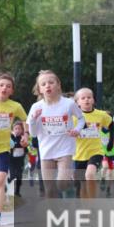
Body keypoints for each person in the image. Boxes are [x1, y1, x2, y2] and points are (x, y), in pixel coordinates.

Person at [27, 70, 86, 199]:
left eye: (51, 82)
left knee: (62, 184)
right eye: (43, 84)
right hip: (46, 152)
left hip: (64, 150)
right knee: (49, 190)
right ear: (40, 89)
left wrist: (77, 129)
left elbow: (81, 119)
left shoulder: (69, 104)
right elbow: (33, 133)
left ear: (58, 85)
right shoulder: (36, 107)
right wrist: (32, 119)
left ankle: (70, 180)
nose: (47, 85)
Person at [0, 74, 27, 227]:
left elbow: (24, 119)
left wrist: (26, 134)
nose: (4, 88)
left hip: (2, 149)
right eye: (1, 85)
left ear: (12, 91)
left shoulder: (15, 106)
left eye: (8, 86)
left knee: (0, 181)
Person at [73, 88, 111, 199]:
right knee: (83, 184)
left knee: (89, 175)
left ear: (93, 100)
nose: (86, 100)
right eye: (83, 98)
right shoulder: (73, 117)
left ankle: (93, 204)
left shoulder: (101, 115)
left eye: (89, 97)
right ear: (77, 102)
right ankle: (86, 211)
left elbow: (112, 124)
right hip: (79, 154)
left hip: (96, 151)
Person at [8, 121, 29, 198]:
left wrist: (25, 145)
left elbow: (27, 147)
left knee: (19, 176)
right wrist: (19, 144)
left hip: (20, 160)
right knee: (13, 175)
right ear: (13, 130)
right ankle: (9, 185)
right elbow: (11, 145)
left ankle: (17, 192)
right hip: (11, 160)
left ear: (22, 130)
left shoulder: (24, 138)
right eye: (15, 129)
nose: (17, 130)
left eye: (19, 129)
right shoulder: (11, 137)